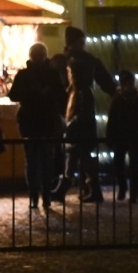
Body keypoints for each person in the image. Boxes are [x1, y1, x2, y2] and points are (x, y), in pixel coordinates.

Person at [54, 26, 116, 203]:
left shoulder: (65, 60)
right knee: (80, 148)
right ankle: (88, 187)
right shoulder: (87, 60)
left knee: (76, 148)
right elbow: (106, 82)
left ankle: (68, 186)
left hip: (75, 106)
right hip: (83, 106)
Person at [8, 41, 65, 210]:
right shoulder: (52, 74)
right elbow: (62, 95)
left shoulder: (24, 75)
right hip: (47, 120)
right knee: (46, 159)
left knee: (32, 159)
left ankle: (34, 195)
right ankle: (45, 195)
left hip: (29, 120)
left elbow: (13, 95)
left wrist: (29, 93)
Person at [105, 69, 138, 203]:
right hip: (126, 135)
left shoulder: (124, 99)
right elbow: (112, 119)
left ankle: (131, 191)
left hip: (130, 136)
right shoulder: (127, 99)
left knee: (132, 165)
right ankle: (126, 188)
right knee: (121, 163)